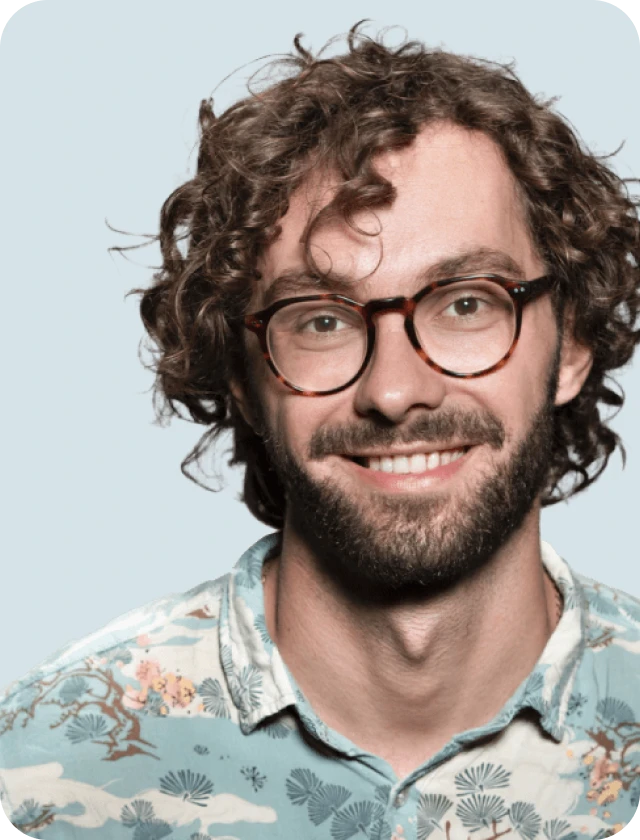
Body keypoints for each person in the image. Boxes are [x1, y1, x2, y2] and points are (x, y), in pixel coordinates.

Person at [2, 22, 640, 840]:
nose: (395, 390)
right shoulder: (40, 766)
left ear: (574, 344)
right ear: (241, 375)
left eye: (468, 303)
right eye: (322, 320)